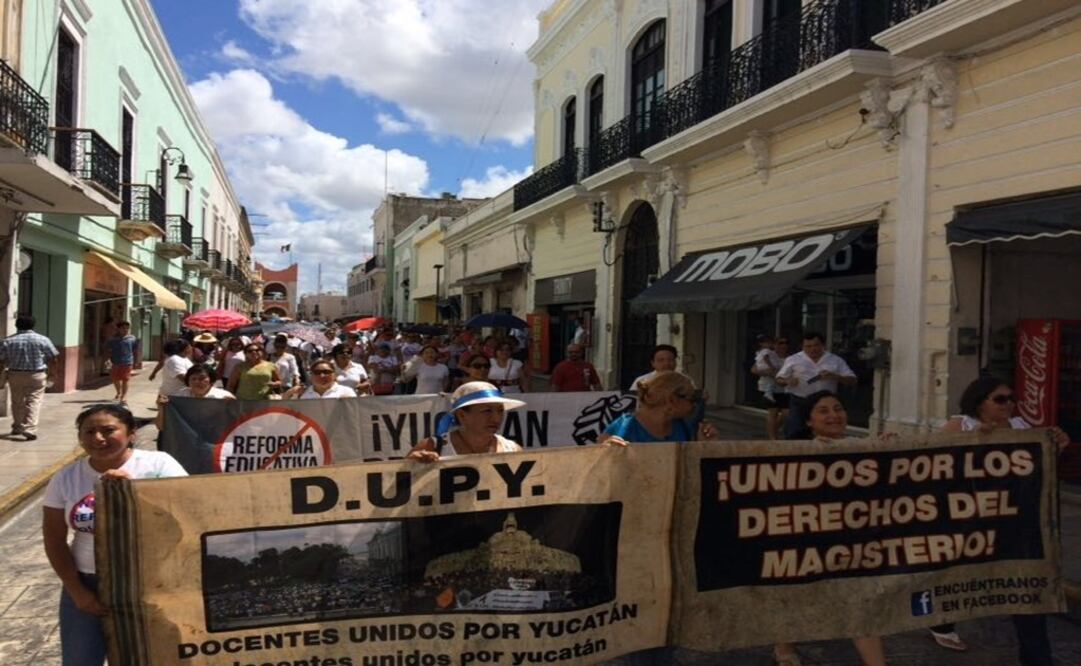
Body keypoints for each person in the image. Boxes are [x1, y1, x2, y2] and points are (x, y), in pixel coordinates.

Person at [925, 376, 1068, 661]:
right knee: (959, 576)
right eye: (1000, 399)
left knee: (1024, 589)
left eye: (1011, 398)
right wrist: (975, 441)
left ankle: (1038, 657)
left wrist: (1055, 447)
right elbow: (932, 463)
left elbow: (1036, 467)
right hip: (969, 522)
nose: (1009, 404)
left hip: (1012, 522)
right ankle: (942, 622)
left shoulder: (1020, 428)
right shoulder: (959, 426)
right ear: (979, 403)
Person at [42, 404, 187, 665]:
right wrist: (77, 590)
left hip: (150, 583)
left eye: (108, 430)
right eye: (89, 432)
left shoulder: (159, 464)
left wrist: (134, 492)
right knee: (80, 659)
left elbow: (185, 517)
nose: (98, 438)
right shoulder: (66, 478)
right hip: (88, 584)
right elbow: (54, 539)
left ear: (131, 433)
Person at [772, 391, 887, 666]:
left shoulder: (863, 447)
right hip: (811, 544)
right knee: (804, 601)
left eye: (838, 408)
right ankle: (784, 649)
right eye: (823, 411)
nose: (833, 415)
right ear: (809, 421)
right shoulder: (796, 453)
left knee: (860, 607)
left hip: (854, 544)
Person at [407, 381, 526, 460]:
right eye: (487, 411)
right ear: (462, 416)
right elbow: (398, 483)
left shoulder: (512, 449)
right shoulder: (433, 446)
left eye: (500, 411)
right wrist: (412, 464)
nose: (496, 418)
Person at [775, 332, 857, 439]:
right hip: (800, 401)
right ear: (803, 346)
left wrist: (835, 376)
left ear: (823, 345)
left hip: (826, 403)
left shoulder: (835, 360)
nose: (812, 349)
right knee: (794, 431)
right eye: (808, 346)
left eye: (816, 345)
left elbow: (853, 380)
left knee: (826, 432)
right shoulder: (793, 359)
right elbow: (778, 379)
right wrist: (787, 381)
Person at [599, 372, 717, 445]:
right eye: (691, 399)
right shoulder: (626, 426)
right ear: (672, 399)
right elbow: (597, 455)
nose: (694, 405)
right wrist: (607, 448)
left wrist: (705, 444)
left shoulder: (684, 426)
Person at [0, 314, 59, 441]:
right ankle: (30, 429)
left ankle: (18, 427)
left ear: (17, 325)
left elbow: (1, 361)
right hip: (36, 374)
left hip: (15, 374)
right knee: (34, 401)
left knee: (17, 402)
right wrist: (53, 373)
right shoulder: (42, 339)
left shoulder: (7, 341)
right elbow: (53, 358)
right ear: (33, 325)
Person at [751, 335, 789, 440]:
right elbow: (754, 369)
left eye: (786, 343)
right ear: (774, 345)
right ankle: (773, 439)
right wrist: (767, 372)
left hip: (785, 389)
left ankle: (774, 429)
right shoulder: (769, 355)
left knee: (787, 413)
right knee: (773, 412)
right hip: (769, 388)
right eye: (780, 343)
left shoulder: (791, 358)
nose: (783, 345)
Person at [629, 344, 693, 391]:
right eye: (661, 360)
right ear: (653, 363)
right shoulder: (642, 381)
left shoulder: (685, 381)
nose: (666, 363)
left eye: (670, 360)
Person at [284, 358, 357, 399]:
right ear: (311, 375)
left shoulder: (346, 391)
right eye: (317, 372)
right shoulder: (302, 393)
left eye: (326, 372)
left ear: (334, 375)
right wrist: (289, 393)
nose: (322, 375)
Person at [103, 321, 138, 404]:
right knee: (115, 378)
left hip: (127, 361)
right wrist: (107, 360)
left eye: (127, 328)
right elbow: (107, 350)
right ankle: (119, 392)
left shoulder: (132, 338)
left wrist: (135, 361)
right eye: (123, 328)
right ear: (118, 329)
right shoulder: (112, 339)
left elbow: (134, 350)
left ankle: (124, 396)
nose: (125, 330)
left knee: (125, 379)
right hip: (115, 362)